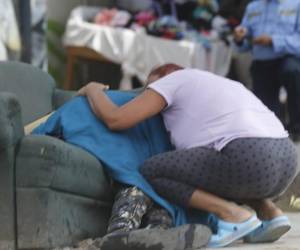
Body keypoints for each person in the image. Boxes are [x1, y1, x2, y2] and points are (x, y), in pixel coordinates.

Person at [78, 63, 298, 248]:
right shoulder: (223, 83)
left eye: (148, 89)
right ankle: (270, 213)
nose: (147, 95)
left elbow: (116, 119)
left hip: (248, 155)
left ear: (164, 77)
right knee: (211, 171)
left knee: (152, 170)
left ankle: (233, 215)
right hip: (287, 161)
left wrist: (93, 91)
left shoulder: (172, 80)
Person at [233, 0, 300, 140]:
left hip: (288, 59)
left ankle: (297, 127)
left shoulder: (296, 4)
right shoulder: (253, 7)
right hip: (262, 62)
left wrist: (273, 41)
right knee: (266, 120)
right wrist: (239, 38)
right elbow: (244, 43)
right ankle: (277, 130)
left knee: (292, 71)